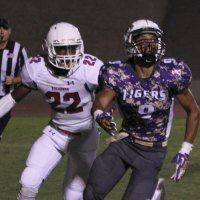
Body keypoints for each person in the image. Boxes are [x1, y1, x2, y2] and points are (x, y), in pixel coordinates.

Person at [83, 19, 200, 200]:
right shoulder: (118, 72)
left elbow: (193, 110)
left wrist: (185, 150)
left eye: (153, 40)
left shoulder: (172, 73)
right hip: (125, 143)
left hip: (152, 152)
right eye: (142, 40)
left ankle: (156, 192)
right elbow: (101, 100)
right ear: (131, 43)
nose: (149, 45)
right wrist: (99, 114)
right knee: (91, 193)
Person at [0, 22, 103, 200]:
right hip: (56, 133)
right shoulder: (37, 68)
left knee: (73, 194)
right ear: (48, 48)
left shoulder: (90, 68)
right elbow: (12, 98)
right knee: (28, 183)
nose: (68, 54)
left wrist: (106, 111)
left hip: (85, 136)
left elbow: (108, 94)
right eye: (62, 49)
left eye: (72, 48)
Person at [0, 18, 28, 140]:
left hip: (5, 98)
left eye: (4, 28)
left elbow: (28, 75)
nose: (1, 31)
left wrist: (14, 80)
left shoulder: (19, 50)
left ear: (9, 31)